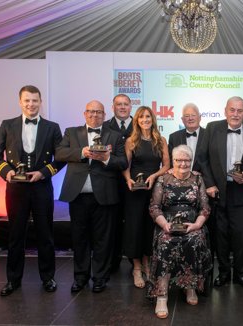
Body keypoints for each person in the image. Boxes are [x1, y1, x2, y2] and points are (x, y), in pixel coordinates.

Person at [0, 85, 65, 297]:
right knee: (15, 235)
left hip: (41, 187)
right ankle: (13, 280)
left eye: (35, 100)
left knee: (45, 234)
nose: (31, 104)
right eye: (27, 101)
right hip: (16, 189)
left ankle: (48, 277)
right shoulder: (7, 125)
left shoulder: (52, 127)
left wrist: (43, 173)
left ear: (41, 102)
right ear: (20, 102)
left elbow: (60, 158)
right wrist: (7, 173)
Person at [56, 100, 128, 293]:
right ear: (84, 113)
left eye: (99, 112)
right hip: (78, 195)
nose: (95, 115)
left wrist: (107, 159)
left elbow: (123, 163)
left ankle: (100, 278)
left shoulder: (115, 135)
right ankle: (80, 278)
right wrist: (82, 152)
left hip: (104, 195)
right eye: (91, 112)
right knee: (79, 238)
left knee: (103, 240)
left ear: (105, 115)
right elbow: (59, 153)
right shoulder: (72, 132)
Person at [197, 96, 243, 290]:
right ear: (225, 110)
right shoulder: (212, 128)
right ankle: (225, 273)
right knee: (221, 235)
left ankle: (241, 273)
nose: (236, 114)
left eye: (240, 111)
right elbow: (202, 159)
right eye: (232, 110)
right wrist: (209, 184)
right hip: (218, 191)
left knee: (241, 235)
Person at [148, 145, 212, 319]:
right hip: (167, 224)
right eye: (179, 160)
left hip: (192, 224)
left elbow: (205, 207)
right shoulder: (163, 179)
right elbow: (154, 207)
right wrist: (164, 225)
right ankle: (162, 295)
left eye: (186, 160)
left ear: (191, 161)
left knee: (195, 240)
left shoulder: (198, 179)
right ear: (173, 161)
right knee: (165, 242)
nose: (183, 164)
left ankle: (190, 287)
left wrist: (197, 225)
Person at [122, 106, 170, 289]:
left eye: (148, 116)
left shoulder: (160, 140)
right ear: (137, 120)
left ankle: (147, 264)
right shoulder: (131, 141)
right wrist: (128, 180)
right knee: (135, 227)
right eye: (141, 117)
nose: (145, 120)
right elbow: (125, 166)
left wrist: (154, 176)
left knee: (150, 227)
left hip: (154, 188)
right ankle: (136, 268)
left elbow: (167, 165)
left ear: (153, 119)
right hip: (134, 189)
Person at [103, 94, 133, 273]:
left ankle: (134, 261)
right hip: (110, 184)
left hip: (134, 185)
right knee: (111, 225)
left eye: (125, 104)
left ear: (131, 106)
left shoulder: (140, 125)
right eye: (118, 104)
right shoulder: (104, 127)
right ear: (112, 107)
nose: (122, 107)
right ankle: (111, 262)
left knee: (133, 224)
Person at [168, 103, 204, 172]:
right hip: (179, 180)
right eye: (187, 116)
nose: (190, 118)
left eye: (193, 115)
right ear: (182, 119)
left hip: (204, 180)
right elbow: (170, 161)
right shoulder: (174, 137)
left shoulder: (209, 135)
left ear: (200, 117)